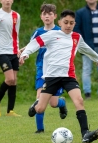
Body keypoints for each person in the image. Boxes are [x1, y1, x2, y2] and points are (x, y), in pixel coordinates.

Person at [19, 10, 98, 143]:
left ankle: (85, 134)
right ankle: (37, 103)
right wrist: (25, 54)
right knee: (40, 109)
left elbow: (86, 49)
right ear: (60, 22)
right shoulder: (51, 35)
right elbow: (35, 43)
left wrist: (97, 58)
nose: (68, 25)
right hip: (52, 77)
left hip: (69, 76)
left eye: (71, 23)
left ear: (74, 24)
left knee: (79, 101)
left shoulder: (76, 37)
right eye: (65, 22)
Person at [18, 3, 67, 133]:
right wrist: (23, 53)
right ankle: (40, 129)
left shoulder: (59, 31)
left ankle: (62, 104)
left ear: (55, 16)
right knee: (39, 98)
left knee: (53, 103)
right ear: (41, 16)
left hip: (56, 70)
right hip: (42, 69)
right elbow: (31, 45)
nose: (47, 16)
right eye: (44, 14)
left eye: (50, 14)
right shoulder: (38, 32)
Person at [74, 0, 98, 99]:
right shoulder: (80, 13)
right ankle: (87, 93)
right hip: (87, 47)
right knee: (87, 69)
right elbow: (76, 28)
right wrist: (82, 43)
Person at [0, 0, 21, 117]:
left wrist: (18, 50)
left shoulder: (16, 15)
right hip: (1, 52)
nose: (7, 1)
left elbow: (15, 34)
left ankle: (10, 111)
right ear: (1, 1)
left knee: (14, 81)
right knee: (9, 79)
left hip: (13, 51)